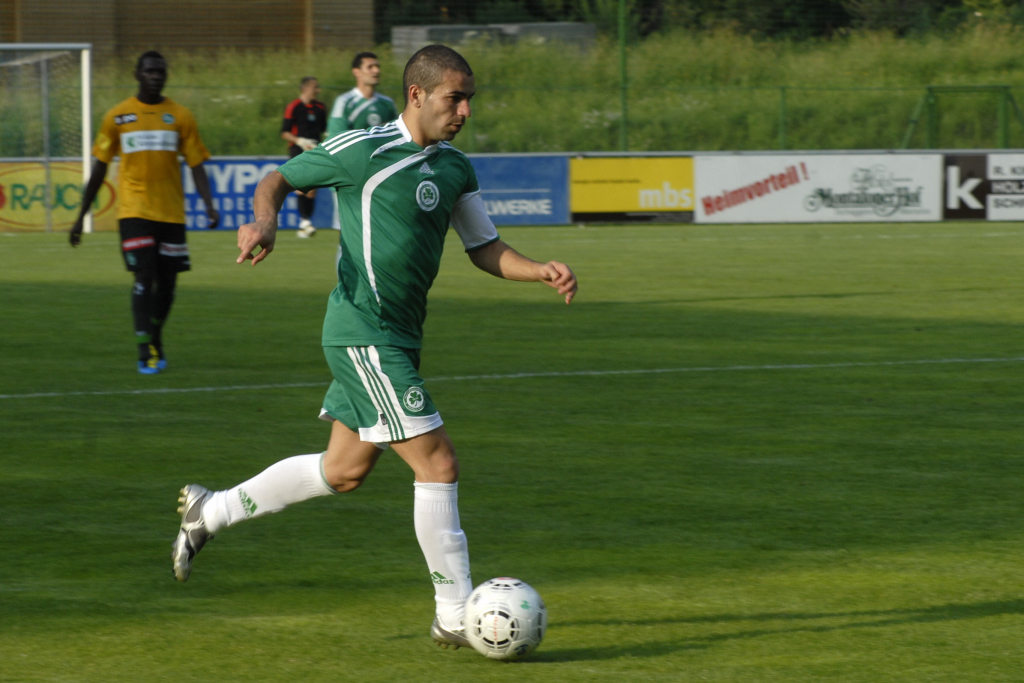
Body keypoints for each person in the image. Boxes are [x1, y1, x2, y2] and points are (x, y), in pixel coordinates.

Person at [171, 45, 578, 650]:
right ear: (418, 95)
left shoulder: (455, 168)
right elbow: (278, 178)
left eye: (469, 99)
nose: (465, 110)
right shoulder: (363, 150)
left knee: (343, 471)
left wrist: (538, 269)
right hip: (364, 332)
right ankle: (453, 614)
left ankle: (212, 511)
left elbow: (484, 247)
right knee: (438, 464)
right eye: (454, 98)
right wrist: (266, 220)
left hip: (400, 339)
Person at [70, 50, 218, 374]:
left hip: (171, 213)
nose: (155, 76)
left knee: (168, 285)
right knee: (144, 274)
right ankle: (143, 349)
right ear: (137, 75)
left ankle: (154, 337)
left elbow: (196, 164)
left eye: (160, 71)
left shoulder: (180, 116)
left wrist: (209, 204)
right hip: (133, 211)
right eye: (150, 71)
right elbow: (99, 167)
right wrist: (82, 215)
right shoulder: (117, 116)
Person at [327, 52, 399, 232]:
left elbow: (398, 138)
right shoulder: (345, 102)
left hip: (380, 177)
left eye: (378, 66)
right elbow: (337, 139)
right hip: (350, 176)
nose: (376, 71)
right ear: (356, 72)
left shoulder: (387, 104)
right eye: (370, 67)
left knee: (381, 232)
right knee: (350, 234)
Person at [281, 76, 327, 238]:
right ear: (306, 88)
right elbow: (284, 132)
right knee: (301, 186)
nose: (318, 90)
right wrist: (300, 141)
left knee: (312, 188)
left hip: (315, 150)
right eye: (315, 87)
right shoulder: (294, 106)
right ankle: (305, 221)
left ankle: (305, 223)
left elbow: (324, 129)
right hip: (298, 150)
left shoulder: (320, 107)